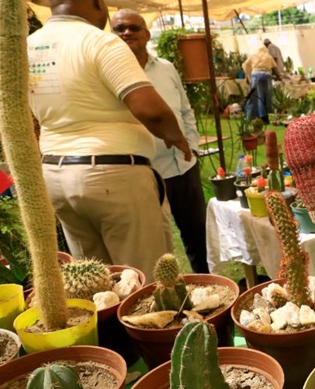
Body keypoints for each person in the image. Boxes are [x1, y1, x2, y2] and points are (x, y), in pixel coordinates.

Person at [28, 0, 192, 282]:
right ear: (97, 3)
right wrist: (176, 137)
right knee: (144, 280)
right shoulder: (100, 42)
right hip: (112, 173)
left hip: (55, 174)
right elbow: (150, 110)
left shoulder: (27, 47)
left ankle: (107, 327)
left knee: (95, 280)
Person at [111, 9, 209, 274]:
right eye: (119, 29)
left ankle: (209, 287)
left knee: (198, 237)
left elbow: (186, 110)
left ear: (147, 33)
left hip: (184, 167)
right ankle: (169, 299)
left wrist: (192, 145)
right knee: (157, 249)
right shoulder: (108, 74)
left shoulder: (165, 68)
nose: (127, 32)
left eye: (134, 27)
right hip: (146, 175)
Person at [243, 40, 278, 122]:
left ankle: (255, 116)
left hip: (256, 76)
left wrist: (248, 76)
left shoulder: (253, 55)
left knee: (256, 96)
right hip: (267, 76)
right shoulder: (268, 56)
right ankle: (267, 115)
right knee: (267, 96)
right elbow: (274, 65)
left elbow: (245, 65)